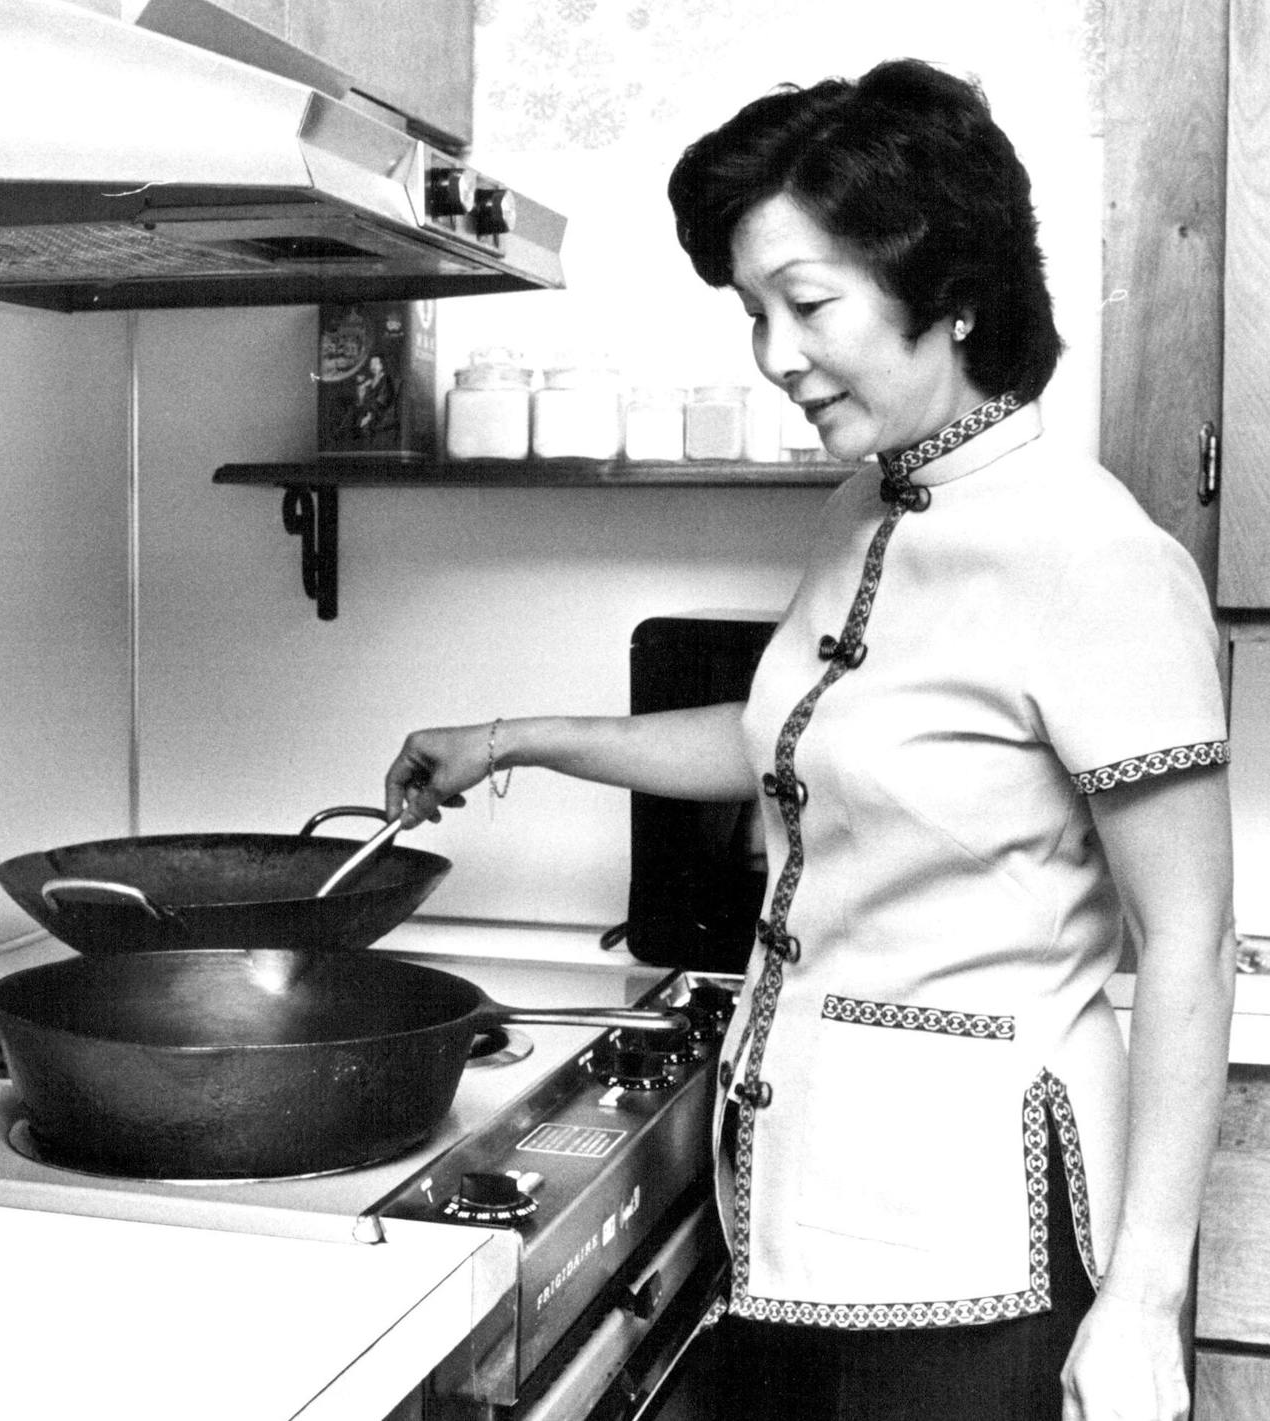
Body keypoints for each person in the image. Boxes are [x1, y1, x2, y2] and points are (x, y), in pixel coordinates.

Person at [383, 59, 1236, 1421]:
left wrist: (1142, 1299)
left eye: (809, 304)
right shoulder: (865, 508)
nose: (776, 354)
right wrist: (511, 737)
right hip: (796, 1219)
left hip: (981, 1266)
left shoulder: (1100, 559)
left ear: (949, 292)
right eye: (752, 313)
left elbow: (1191, 945)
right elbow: (789, 739)